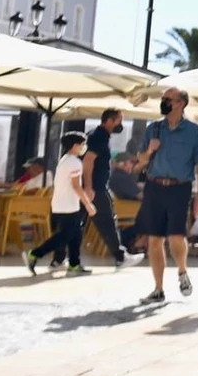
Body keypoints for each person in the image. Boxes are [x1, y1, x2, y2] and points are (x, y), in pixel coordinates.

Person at [134, 87, 198, 304]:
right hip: (154, 186)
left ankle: (182, 272)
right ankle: (158, 289)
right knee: (154, 240)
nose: (164, 102)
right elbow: (141, 160)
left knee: (176, 235)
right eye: (163, 99)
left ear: (181, 103)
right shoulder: (154, 129)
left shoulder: (194, 131)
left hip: (180, 188)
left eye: (168, 99)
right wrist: (149, 150)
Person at [25, 132, 96, 275]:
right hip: (68, 205)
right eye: (82, 144)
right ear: (75, 146)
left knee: (76, 234)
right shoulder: (74, 162)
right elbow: (76, 186)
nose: (84, 147)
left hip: (61, 204)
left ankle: (74, 264)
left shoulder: (65, 160)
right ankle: (35, 253)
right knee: (64, 236)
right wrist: (88, 203)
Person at [83, 109, 134, 267]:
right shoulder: (99, 137)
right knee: (107, 221)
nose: (121, 124)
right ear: (110, 121)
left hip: (94, 186)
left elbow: (97, 160)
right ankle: (120, 257)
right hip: (96, 188)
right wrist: (88, 187)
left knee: (74, 224)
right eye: (119, 120)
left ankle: (50, 256)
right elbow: (88, 161)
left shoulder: (98, 136)